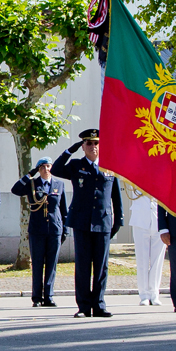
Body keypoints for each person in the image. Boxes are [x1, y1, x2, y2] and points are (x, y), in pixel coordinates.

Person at [51, 129, 123, 318]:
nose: (93, 147)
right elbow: (56, 169)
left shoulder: (109, 167)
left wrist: (118, 221)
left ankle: (99, 305)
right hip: (82, 222)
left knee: (101, 266)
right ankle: (83, 306)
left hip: (103, 222)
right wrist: (69, 151)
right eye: (88, 143)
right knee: (83, 265)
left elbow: (116, 195)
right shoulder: (76, 165)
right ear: (83, 146)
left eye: (96, 143)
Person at [11, 156, 68, 308]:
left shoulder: (59, 184)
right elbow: (15, 190)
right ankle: (36, 297)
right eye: (42, 167)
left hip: (54, 229)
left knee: (51, 264)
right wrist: (30, 174)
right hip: (37, 230)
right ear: (38, 170)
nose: (46, 169)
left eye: (48, 166)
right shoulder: (32, 184)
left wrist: (65, 230)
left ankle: (48, 296)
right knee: (37, 264)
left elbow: (64, 210)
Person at [128, 191, 165, 306]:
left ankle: (154, 294)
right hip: (140, 220)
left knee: (157, 261)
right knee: (142, 260)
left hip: (158, 220)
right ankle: (144, 295)